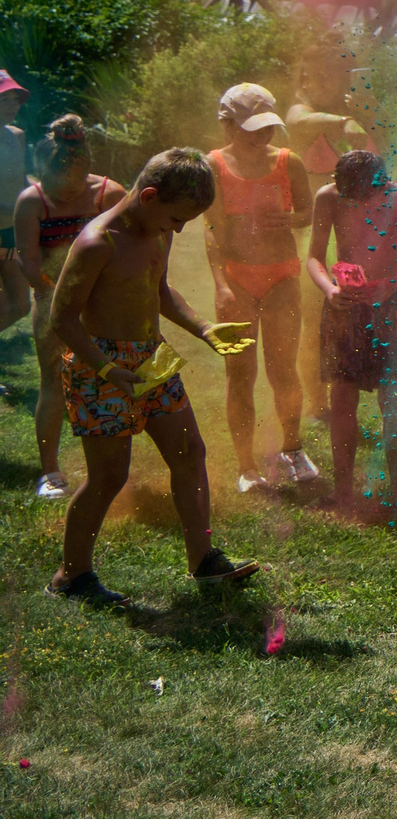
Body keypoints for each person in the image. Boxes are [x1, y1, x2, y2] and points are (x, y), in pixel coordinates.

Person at [46, 148, 259, 603]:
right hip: (99, 366)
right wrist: (107, 369)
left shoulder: (157, 229)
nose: (178, 229)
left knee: (190, 451)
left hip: (151, 358)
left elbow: (158, 289)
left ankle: (203, 561)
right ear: (148, 196)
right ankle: (72, 576)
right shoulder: (97, 242)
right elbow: (61, 318)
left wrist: (204, 328)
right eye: (177, 219)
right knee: (109, 476)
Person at [205, 83, 317, 490]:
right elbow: (212, 229)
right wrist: (221, 286)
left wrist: (290, 220)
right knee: (240, 373)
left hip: (281, 275)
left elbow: (307, 212)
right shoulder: (214, 165)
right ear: (228, 125)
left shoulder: (289, 162)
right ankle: (246, 466)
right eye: (252, 128)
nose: (262, 135)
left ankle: (293, 448)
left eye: (267, 127)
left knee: (282, 368)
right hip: (237, 277)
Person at [304, 149, 397, 511]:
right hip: (345, 307)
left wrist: (391, 285)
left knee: (393, 398)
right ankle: (343, 493)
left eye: (364, 195)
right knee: (342, 396)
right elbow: (314, 256)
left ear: (381, 183)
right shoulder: (328, 197)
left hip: (392, 307)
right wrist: (330, 290)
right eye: (350, 195)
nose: (357, 201)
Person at [15, 116, 125, 501]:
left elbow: (131, 248)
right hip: (51, 302)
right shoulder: (32, 202)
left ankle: (109, 470)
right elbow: (29, 264)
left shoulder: (110, 195)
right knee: (53, 383)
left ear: (86, 171)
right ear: (41, 173)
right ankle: (50, 472)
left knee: (108, 380)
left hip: (102, 302)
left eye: (71, 187)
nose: (62, 196)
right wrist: (60, 300)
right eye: (54, 187)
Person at [0, 70, 29, 338]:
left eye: (15, 99)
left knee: (21, 304)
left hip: (9, 233)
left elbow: (21, 180)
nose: (12, 106)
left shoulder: (17, 135)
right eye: (4, 100)